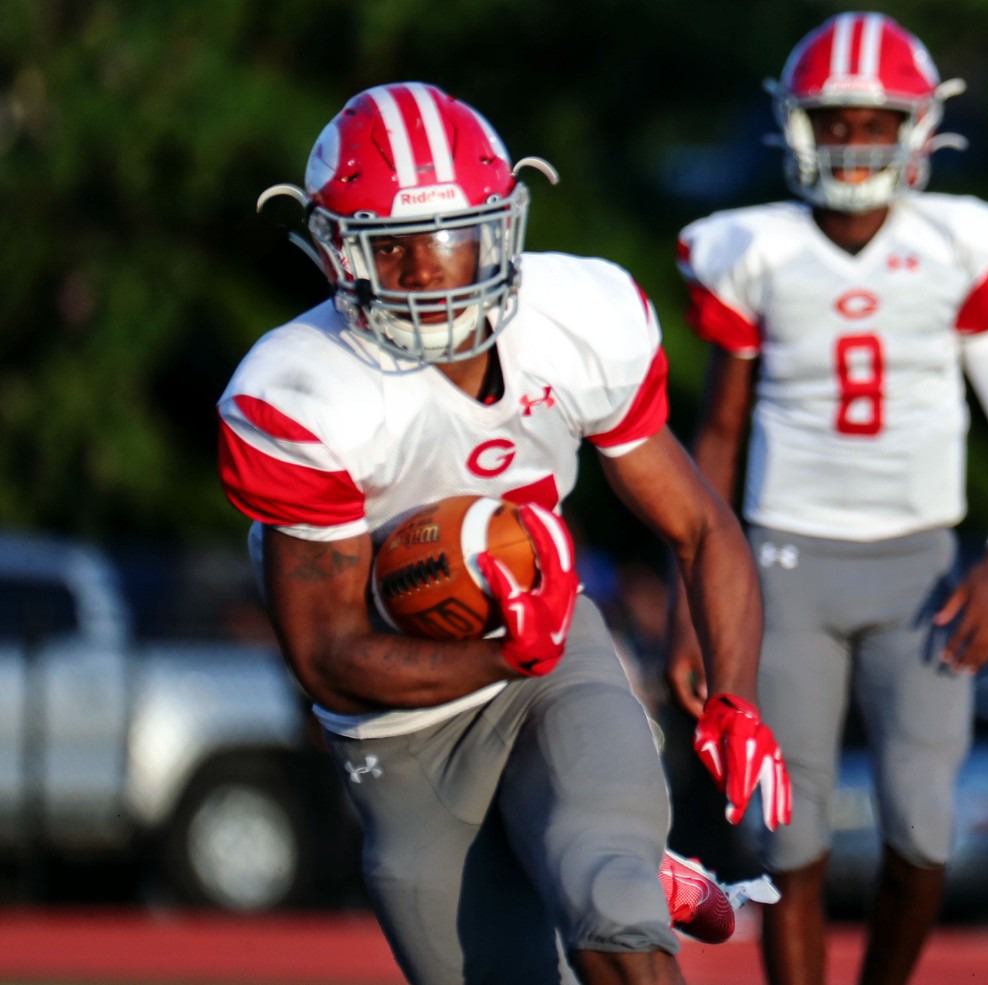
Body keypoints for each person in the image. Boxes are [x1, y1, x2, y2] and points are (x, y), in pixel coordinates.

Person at [216, 82, 790, 985]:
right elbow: (326, 652)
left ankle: (619, 863)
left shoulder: (579, 320)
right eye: (396, 250)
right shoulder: (299, 392)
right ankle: (610, 860)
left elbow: (701, 526)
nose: (433, 272)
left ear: (506, 220)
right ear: (335, 252)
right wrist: (495, 661)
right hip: (394, 727)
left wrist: (737, 693)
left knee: (609, 902)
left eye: (456, 237)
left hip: (553, 649)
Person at [668, 13, 988, 985]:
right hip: (783, 563)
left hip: (919, 567)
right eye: (835, 121)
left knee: (924, 831)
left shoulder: (959, 243)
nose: (854, 142)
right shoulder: (752, 249)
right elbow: (715, 435)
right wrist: (690, 598)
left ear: (919, 129)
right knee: (786, 836)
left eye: (876, 121)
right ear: (799, 126)